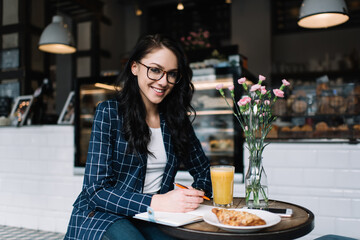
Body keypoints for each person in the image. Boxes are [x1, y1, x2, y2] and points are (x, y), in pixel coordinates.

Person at [64, 34, 212, 240]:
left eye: (172, 74)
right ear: (135, 67)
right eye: (155, 70)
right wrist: (159, 202)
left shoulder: (176, 120)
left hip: (150, 216)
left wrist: (193, 195)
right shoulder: (109, 112)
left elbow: (204, 171)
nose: (163, 81)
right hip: (103, 215)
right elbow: (96, 191)